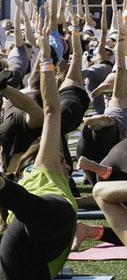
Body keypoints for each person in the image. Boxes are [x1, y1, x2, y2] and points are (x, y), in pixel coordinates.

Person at [0, 23, 77, 280]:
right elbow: (51, 110)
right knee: (48, 211)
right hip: (33, 227)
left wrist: (45, 53)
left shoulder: (39, 170)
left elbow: (51, 110)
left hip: (29, 262)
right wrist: (44, 56)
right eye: (64, 160)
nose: (65, 164)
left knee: (42, 211)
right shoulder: (46, 172)